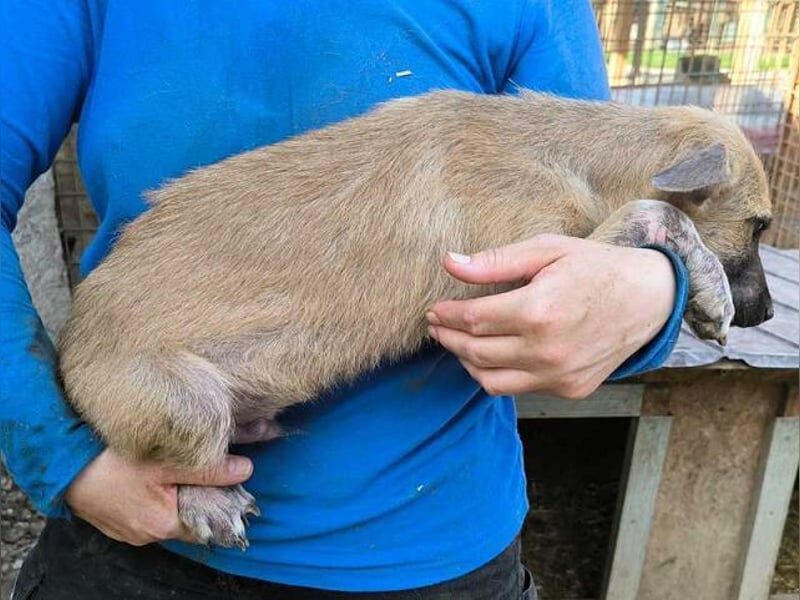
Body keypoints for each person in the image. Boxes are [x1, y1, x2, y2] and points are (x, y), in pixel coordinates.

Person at [1, 1, 688, 598]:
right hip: (136, 536)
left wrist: (651, 294)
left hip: (434, 551)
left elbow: (598, 225)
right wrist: (65, 461)